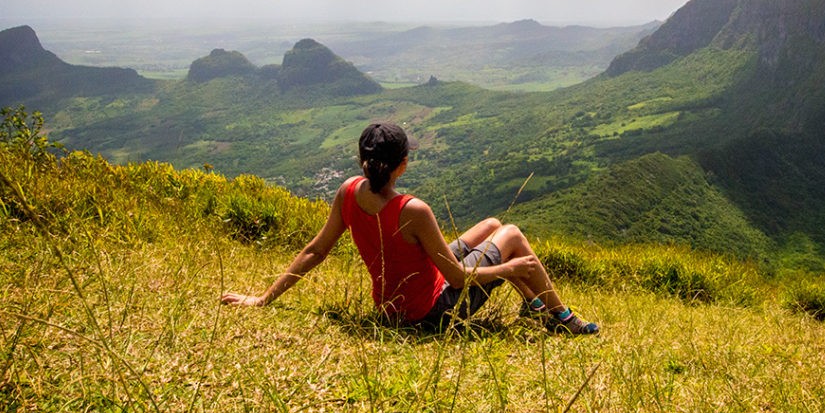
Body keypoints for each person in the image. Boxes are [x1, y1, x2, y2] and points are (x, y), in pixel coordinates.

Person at [221, 121, 599, 334]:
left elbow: (315, 250)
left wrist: (263, 298)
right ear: (402, 165)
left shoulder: (348, 192)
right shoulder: (413, 210)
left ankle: (537, 306)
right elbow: (455, 278)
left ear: (363, 161)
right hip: (432, 313)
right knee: (513, 235)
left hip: (390, 306)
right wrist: (512, 268)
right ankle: (561, 318)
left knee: (492, 224)